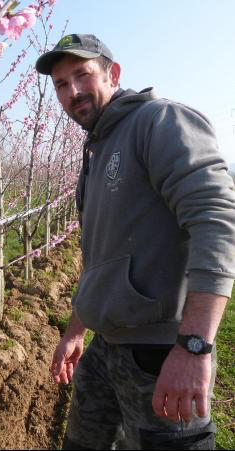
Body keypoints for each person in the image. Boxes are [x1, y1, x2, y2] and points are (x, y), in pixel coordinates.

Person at [35, 34, 235, 450]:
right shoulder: (99, 147)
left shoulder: (159, 122)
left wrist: (194, 346)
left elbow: (217, 219)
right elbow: (100, 257)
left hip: (160, 351)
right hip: (106, 347)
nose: (72, 92)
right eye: (60, 84)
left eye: (82, 75)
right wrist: (76, 329)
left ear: (114, 73)